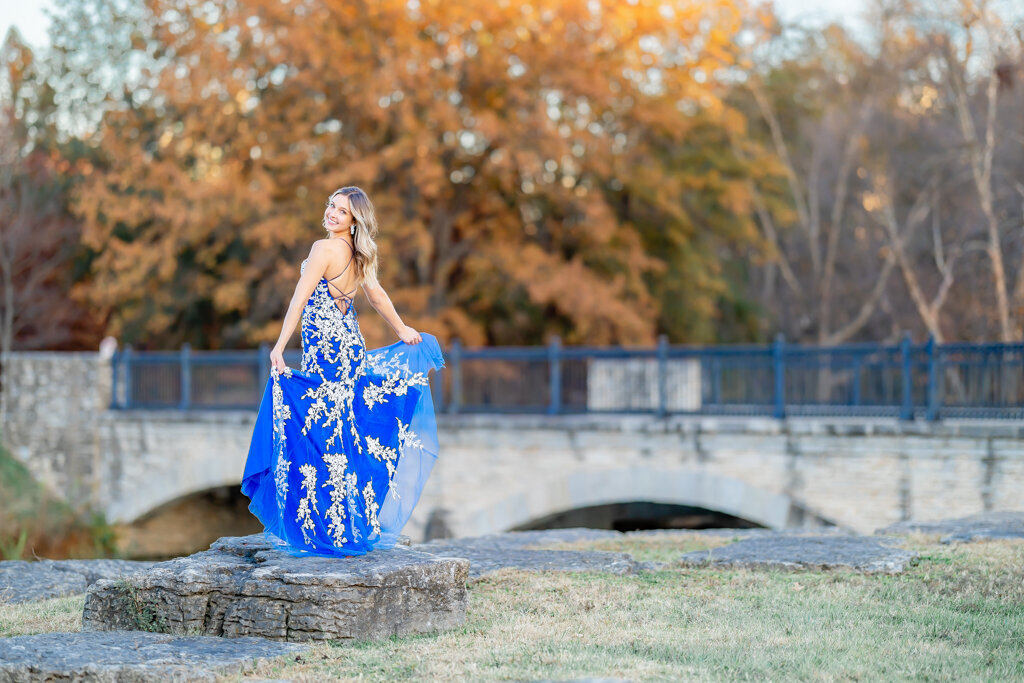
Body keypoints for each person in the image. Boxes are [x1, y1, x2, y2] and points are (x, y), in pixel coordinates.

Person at [241, 186, 445, 557]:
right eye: (331, 206)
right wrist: (401, 330)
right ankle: (343, 523)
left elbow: (300, 299)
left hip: (327, 350)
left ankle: (326, 526)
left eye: (342, 211)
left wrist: (279, 345)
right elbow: (377, 295)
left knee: (323, 432)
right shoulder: (357, 254)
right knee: (339, 432)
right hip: (348, 346)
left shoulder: (324, 248)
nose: (332, 214)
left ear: (354, 222)